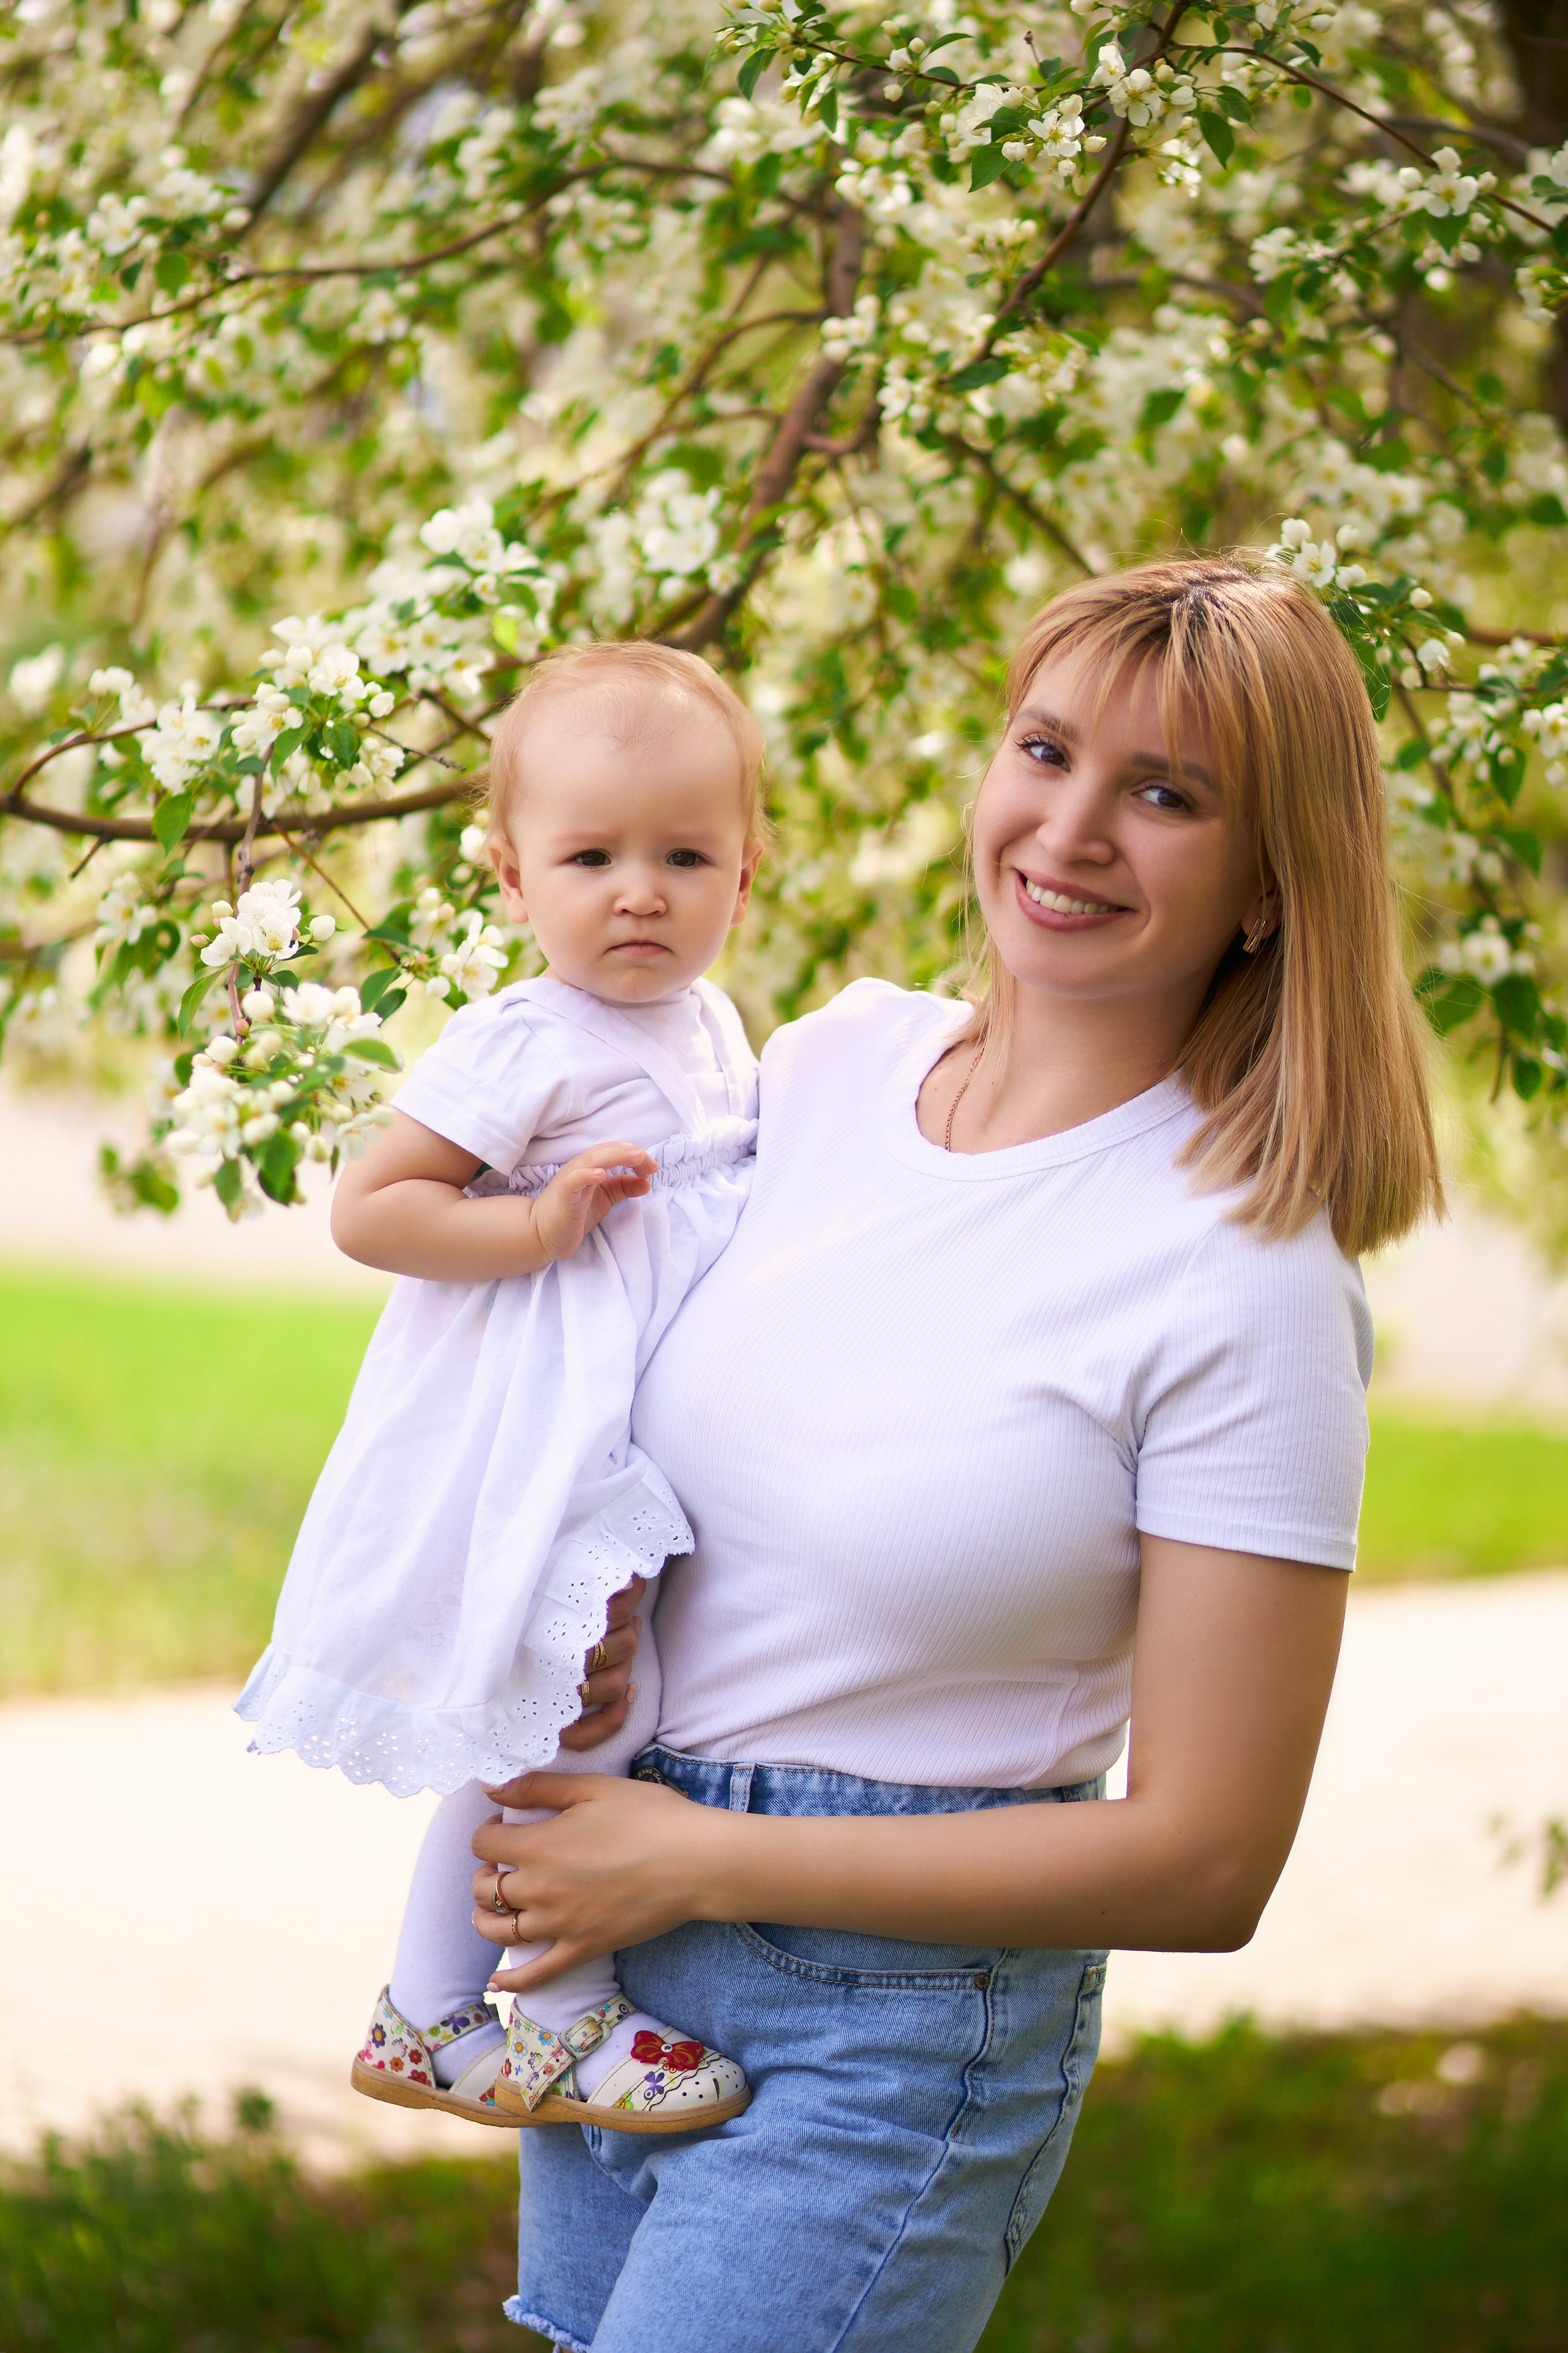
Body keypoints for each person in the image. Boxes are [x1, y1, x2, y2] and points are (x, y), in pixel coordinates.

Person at [462, 557, 1444, 2353]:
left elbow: (1209, 1862)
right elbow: (640, 1398)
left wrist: (693, 1859)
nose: (1071, 830)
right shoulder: (827, 1066)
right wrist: (608, 1614)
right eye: (1046, 749)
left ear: (1267, 885)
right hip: (612, 1953)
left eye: (1167, 793)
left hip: (887, 2028)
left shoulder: (1244, 1273)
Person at [238, 641, 767, 2134]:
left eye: (685, 854)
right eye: (589, 854)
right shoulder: (524, 1037)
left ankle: (437, 2011)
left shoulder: (716, 1026)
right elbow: (373, 1206)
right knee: (565, 1715)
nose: (639, 891)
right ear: (511, 872)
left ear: (748, 865)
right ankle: (540, 2005)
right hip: (542, 1430)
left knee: (580, 1708)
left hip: (633, 1431)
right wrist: (531, 1226)